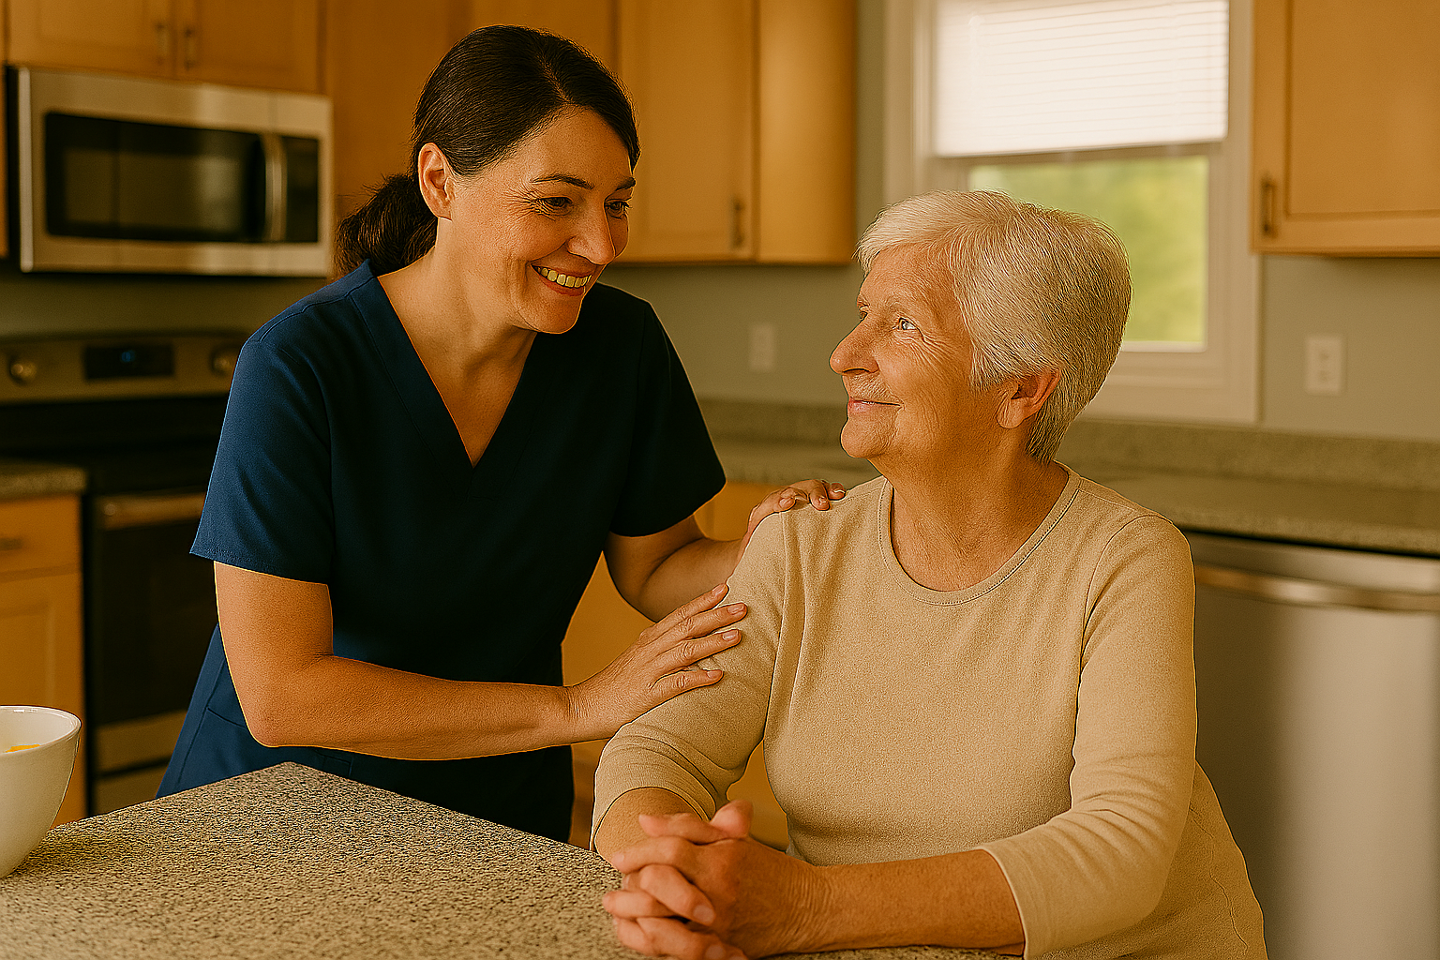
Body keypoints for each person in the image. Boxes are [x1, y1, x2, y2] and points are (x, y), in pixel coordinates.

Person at [157, 25, 843, 843]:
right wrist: (579, 708)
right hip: (275, 818)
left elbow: (657, 563)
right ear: (440, 181)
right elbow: (282, 696)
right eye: (556, 201)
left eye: (616, 203)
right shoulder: (300, 364)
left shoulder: (619, 349)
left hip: (498, 815)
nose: (600, 244)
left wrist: (764, 548)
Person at [592, 191, 1267, 959]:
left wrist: (802, 906)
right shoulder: (798, 547)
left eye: (903, 324)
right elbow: (660, 754)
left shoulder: (1125, 559)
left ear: (1019, 389)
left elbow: (1120, 853)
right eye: (864, 312)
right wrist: (665, 874)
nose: (845, 353)